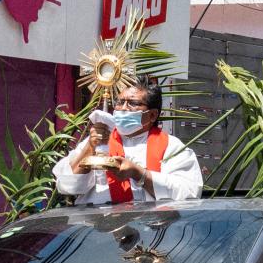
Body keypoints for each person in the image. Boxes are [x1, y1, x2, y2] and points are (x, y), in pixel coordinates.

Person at [53, 80, 202, 206]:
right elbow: (67, 187)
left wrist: (139, 174)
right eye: (119, 102)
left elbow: (189, 193)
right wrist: (90, 146)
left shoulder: (172, 146)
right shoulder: (97, 140)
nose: (123, 108)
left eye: (132, 103)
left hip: (149, 230)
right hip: (97, 229)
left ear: (152, 115)